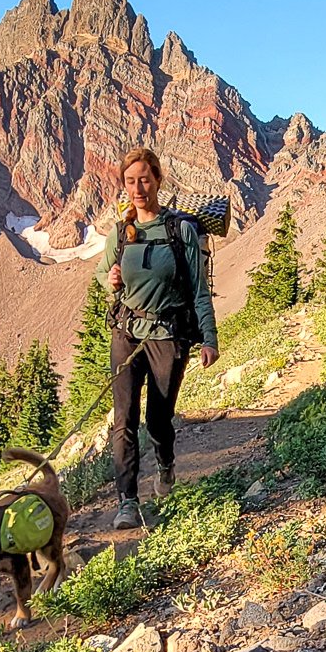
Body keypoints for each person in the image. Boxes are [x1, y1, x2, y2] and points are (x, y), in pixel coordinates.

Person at [95, 147, 219, 529]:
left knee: (159, 419)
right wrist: (110, 279)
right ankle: (127, 501)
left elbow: (199, 290)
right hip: (127, 335)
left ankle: (165, 465)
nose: (138, 188)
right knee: (124, 419)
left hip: (168, 336)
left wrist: (209, 338)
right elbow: (102, 274)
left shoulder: (179, 231)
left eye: (144, 179)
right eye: (130, 181)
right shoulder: (119, 233)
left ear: (158, 181)